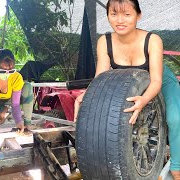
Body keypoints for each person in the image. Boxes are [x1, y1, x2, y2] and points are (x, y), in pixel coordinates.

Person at [74, 0, 180, 178]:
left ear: (138, 15)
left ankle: (177, 166)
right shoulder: (104, 41)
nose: (119, 20)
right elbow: (100, 78)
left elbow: (155, 80)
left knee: (175, 118)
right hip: (131, 83)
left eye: (127, 14)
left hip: (160, 79)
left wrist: (144, 100)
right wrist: (87, 96)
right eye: (114, 14)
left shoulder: (153, 40)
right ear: (107, 15)